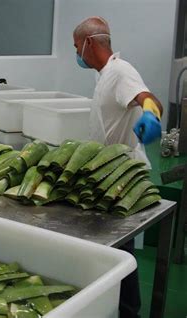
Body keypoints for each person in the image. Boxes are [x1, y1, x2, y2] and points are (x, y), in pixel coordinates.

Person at [73, 17, 163, 318]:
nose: (77, 55)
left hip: (123, 175)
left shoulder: (121, 71)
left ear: (89, 43)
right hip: (107, 173)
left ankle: (128, 312)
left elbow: (148, 99)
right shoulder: (104, 74)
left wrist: (150, 116)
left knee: (121, 248)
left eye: (76, 47)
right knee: (110, 248)